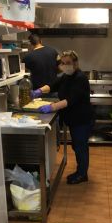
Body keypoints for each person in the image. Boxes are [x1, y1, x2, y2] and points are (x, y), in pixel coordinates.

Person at [31, 50, 94, 184]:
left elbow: (70, 100)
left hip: (82, 120)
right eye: (63, 63)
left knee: (80, 147)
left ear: (75, 63)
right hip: (74, 119)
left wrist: (51, 107)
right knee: (77, 146)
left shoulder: (80, 78)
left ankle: (82, 174)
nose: (66, 66)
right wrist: (39, 91)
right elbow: (53, 85)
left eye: (69, 63)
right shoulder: (66, 76)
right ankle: (81, 171)